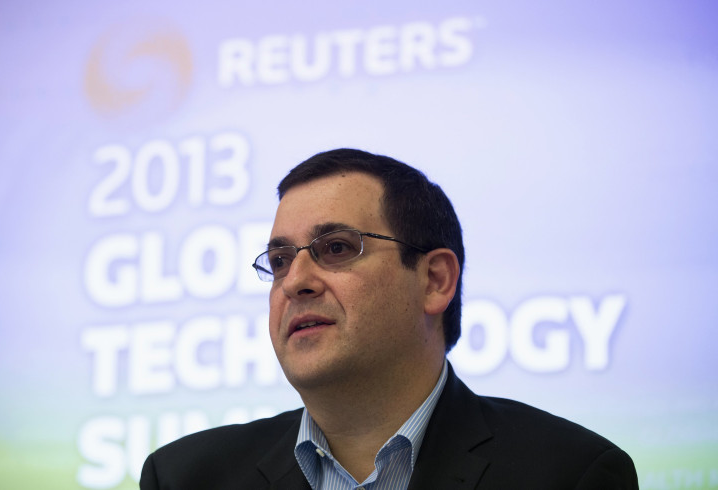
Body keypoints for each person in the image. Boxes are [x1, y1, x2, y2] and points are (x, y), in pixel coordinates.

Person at [140, 148, 639, 489]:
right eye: (280, 261)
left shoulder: (569, 474)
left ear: (435, 281)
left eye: (335, 248)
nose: (295, 282)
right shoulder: (187, 477)